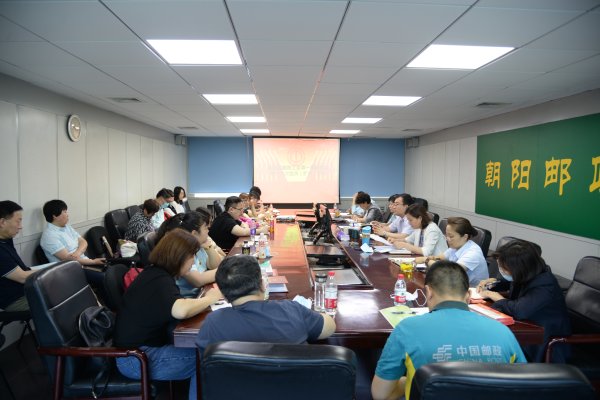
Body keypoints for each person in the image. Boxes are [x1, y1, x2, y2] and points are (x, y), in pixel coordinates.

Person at [371, 261, 527, 400]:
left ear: (428, 292)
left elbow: (380, 394)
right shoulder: (503, 333)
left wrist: (411, 381)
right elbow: (524, 389)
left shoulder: (407, 329)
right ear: (468, 295)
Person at [114, 229, 222, 400]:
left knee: (208, 352)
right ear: (179, 257)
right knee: (209, 359)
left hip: (142, 352)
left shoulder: (156, 274)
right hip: (135, 359)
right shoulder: (159, 279)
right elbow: (181, 310)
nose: (193, 261)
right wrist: (210, 298)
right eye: (192, 256)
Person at [195, 255, 336, 355]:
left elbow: (207, 361)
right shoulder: (291, 310)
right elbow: (330, 327)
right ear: (263, 285)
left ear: (224, 295)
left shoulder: (212, 323)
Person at [477, 240, 571, 362]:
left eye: (504, 268)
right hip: (527, 329)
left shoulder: (545, 285)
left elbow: (519, 310)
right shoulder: (529, 272)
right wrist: (493, 283)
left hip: (544, 342)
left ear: (519, 268)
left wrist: (496, 296)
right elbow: (510, 283)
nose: (501, 271)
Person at [155, 212, 224, 297]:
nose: (208, 231)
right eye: (206, 228)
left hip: (203, 291)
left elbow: (215, 266)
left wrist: (209, 247)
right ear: (194, 233)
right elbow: (198, 281)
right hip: (189, 298)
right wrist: (226, 269)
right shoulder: (181, 251)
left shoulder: (200, 245)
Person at [416, 217, 488, 287]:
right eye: (446, 235)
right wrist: (432, 258)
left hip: (474, 291)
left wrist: (426, 260)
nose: (447, 239)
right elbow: (441, 257)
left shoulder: (473, 253)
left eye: (451, 236)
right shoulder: (457, 245)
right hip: (457, 286)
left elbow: (453, 273)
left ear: (465, 237)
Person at [40, 199, 105, 268]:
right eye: (65, 212)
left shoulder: (67, 227)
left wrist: (77, 253)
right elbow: (68, 259)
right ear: (55, 216)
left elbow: (83, 242)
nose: (67, 215)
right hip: (71, 269)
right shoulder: (49, 236)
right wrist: (93, 262)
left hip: (85, 262)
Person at [0, 201, 34, 311]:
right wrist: (52, 271)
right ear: (2, 222)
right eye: (18, 221)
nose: (20, 227)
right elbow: (22, 277)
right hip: (15, 300)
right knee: (61, 297)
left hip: (25, 291)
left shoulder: (6, 240)